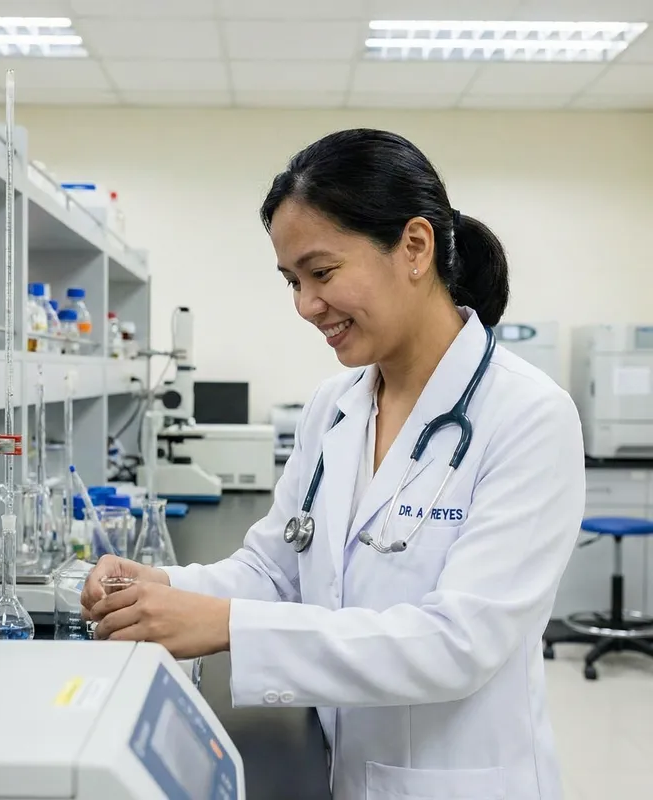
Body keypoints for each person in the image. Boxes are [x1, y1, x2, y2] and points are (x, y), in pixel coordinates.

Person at [81, 129, 585, 800]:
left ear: (414, 247)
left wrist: (226, 626)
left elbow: (458, 644)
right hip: (341, 769)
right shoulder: (336, 406)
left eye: (322, 273)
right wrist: (162, 588)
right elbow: (273, 567)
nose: (305, 306)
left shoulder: (527, 416)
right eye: (293, 281)